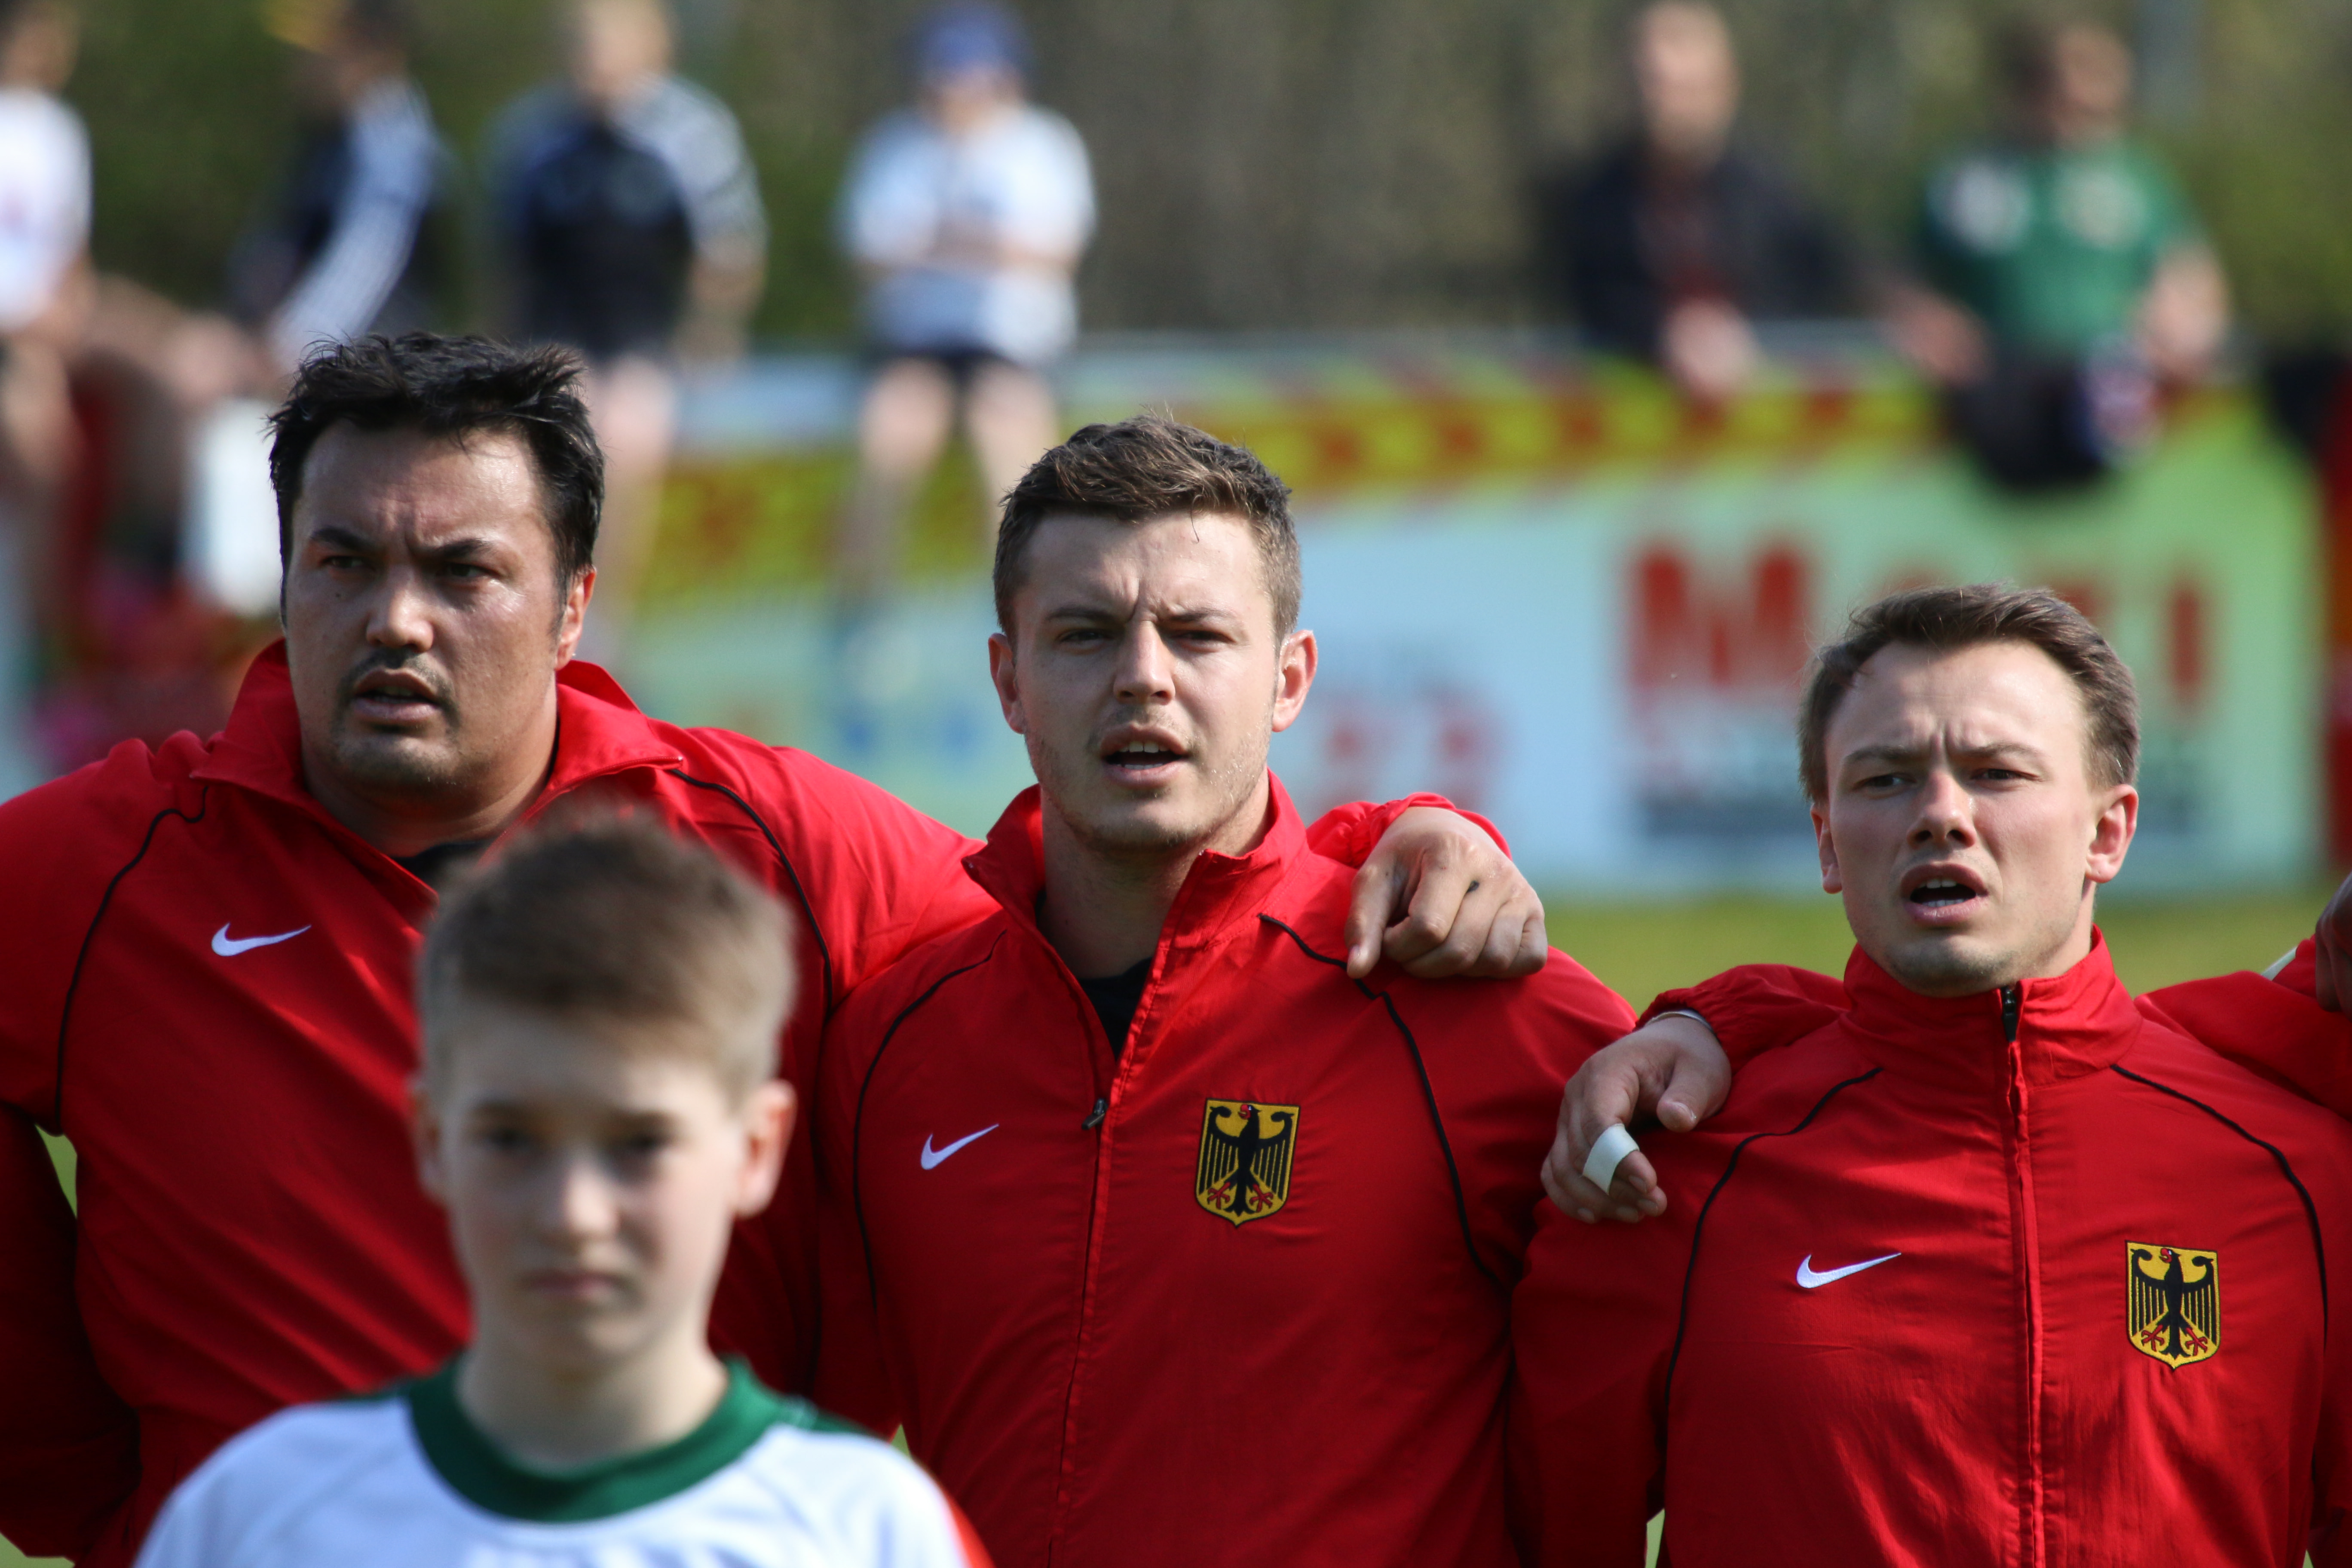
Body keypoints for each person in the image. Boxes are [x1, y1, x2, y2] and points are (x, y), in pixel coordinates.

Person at [0, 331, 1543, 1567]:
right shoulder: (117, 861)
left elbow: (1113, 910)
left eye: (463, 571)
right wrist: (79, 1479)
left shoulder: (764, 839)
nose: (397, 619)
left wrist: (1382, 839)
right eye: (344, 563)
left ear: (574, 606)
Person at [815, 416, 1635, 1566]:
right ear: (1008, 680)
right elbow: (809, 1461)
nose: (1141, 677)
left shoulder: (1469, 1001)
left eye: (1197, 635)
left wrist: (1713, 1024)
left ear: (1289, 679)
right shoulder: (891, 1047)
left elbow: (1785, 1179)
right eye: (1084, 634)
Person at [1512, 585, 2352, 1565]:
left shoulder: (2301, 1175)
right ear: (1827, 842)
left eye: (1997, 773)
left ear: (2107, 833)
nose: (1940, 814)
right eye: (1885, 779)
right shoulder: (1671, 1176)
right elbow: (1542, 1535)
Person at [133, 818, 992, 1567]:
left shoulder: (869, 1533)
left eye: (641, 1144)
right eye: (511, 1139)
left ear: (756, 1149)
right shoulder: (255, 1517)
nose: (573, 1215)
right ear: (432, 1139)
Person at [487, 0, 766, 657]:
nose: (596, 64)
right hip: (559, 332)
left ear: (651, 49)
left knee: (629, 438)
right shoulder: (533, 134)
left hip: (646, 336)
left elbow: (730, 249)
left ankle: (604, 621)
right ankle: (534, 606)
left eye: (609, 48)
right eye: (583, 48)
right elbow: (508, 259)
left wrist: (710, 331)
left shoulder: (691, 132)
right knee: (558, 434)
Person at [1888, 18, 2228, 487]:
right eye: (2075, 100)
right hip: (1995, 394)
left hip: (2110, 392)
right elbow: (1901, 278)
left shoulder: (2136, 179)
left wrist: (2182, 319)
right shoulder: (1969, 176)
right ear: (2030, 91)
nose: (2092, 115)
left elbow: (2192, 277)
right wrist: (1925, 320)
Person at [834, 2, 1091, 600]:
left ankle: (1022, 610)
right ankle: (861, 610)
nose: (947, 89)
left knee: (1012, 457)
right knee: (889, 443)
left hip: (1012, 347)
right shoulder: (895, 146)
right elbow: (870, 252)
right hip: (915, 345)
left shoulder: (1043, 145)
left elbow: (1055, 250)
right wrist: (973, 245)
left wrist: (947, 243)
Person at [1547, 1, 1854, 404]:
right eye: (1650, 84)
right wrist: (1662, 335)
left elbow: (1825, 271)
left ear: (1725, 83)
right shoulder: (1595, 206)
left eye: (1683, 88)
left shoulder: (1772, 195)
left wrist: (1903, 305)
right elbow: (1595, 300)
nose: (1664, 105)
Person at [229, 0, 445, 377]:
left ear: (375, 53)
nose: (303, 66)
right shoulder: (329, 139)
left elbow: (364, 266)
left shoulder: (393, 145)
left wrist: (283, 352)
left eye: (323, 52)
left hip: (361, 373)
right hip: (298, 358)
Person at [0, 0, 87, 793]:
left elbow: (67, 263)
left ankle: (67, 645)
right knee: (31, 423)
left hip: (34, 342)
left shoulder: (56, 130)